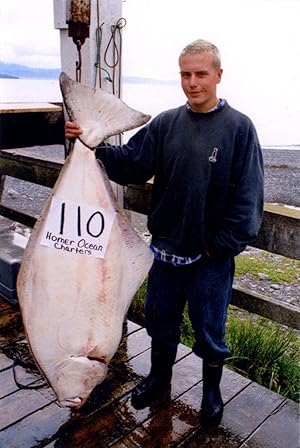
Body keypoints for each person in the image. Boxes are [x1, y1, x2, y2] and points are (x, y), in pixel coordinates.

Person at [65, 39, 264, 427]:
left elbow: (250, 198)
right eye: (185, 74)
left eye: (201, 74)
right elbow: (133, 164)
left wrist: (219, 246)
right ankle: (158, 380)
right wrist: (93, 143)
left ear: (218, 75)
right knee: (160, 323)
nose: (192, 83)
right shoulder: (167, 122)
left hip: (210, 259)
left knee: (210, 331)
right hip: (165, 251)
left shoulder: (240, 128)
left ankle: (211, 393)